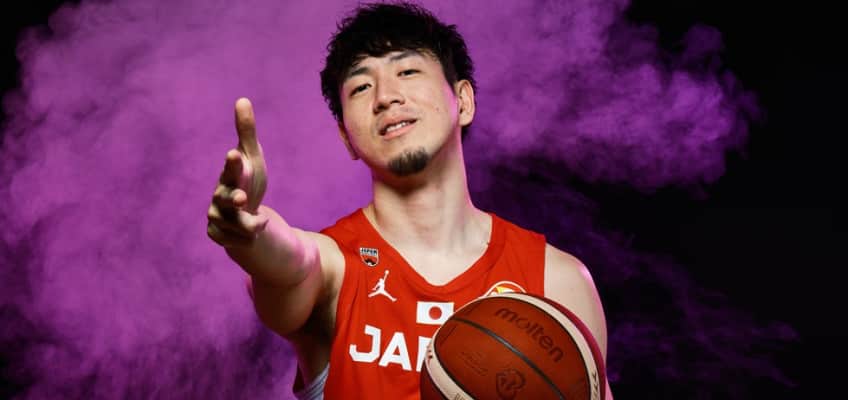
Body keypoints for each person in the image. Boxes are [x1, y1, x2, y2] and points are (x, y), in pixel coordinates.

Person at [206, 2, 614, 399]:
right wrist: (250, 233)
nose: (385, 96)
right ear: (347, 138)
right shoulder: (333, 269)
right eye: (361, 87)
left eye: (407, 71)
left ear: (464, 101)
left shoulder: (556, 281)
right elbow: (289, 264)